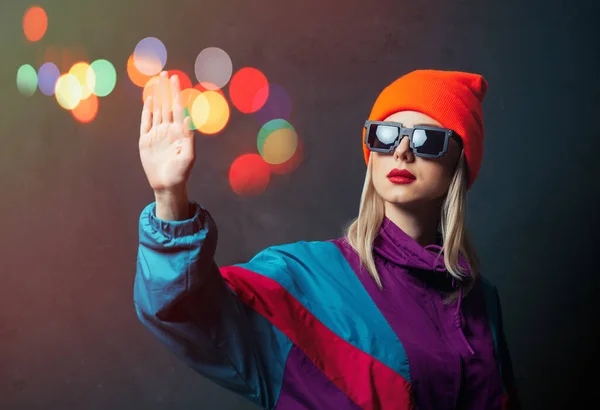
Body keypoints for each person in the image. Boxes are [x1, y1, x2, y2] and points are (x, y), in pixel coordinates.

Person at [133, 69, 520, 409]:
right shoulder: (305, 278)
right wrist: (170, 198)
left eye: (426, 139)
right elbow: (184, 309)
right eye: (385, 134)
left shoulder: (481, 302)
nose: (402, 151)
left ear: (460, 161)